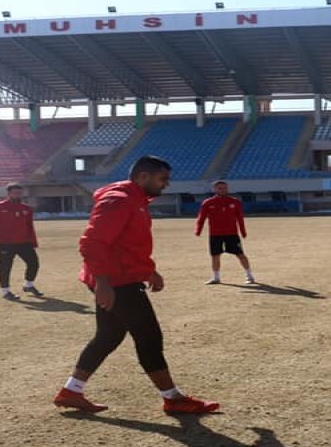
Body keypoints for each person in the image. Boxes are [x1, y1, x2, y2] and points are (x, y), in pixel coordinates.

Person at [53, 156, 218, 415]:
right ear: (143, 177)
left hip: (121, 277)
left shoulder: (134, 200)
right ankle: (173, 399)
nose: (166, 185)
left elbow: (127, 244)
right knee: (149, 336)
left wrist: (149, 271)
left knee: (108, 336)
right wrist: (103, 283)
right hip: (117, 281)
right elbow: (92, 243)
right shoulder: (118, 200)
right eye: (162, 179)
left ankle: (71, 391)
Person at [0, 183, 42, 300]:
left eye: (20, 193)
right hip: (5, 243)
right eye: (15, 193)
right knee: (5, 267)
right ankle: (5, 291)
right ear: (8, 193)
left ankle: (28, 285)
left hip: (24, 242)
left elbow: (29, 226)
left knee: (34, 263)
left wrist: (33, 241)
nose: (18, 195)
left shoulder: (26, 209)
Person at [194, 180, 254, 285]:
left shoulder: (235, 202)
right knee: (215, 255)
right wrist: (198, 230)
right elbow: (201, 217)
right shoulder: (208, 203)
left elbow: (240, 218)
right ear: (214, 189)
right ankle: (216, 278)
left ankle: (249, 276)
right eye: (219, 188)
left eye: (224, 188)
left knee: (240, 254)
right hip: (215, 234)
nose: (222, 190)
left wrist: (243, 231)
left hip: (232, 234)